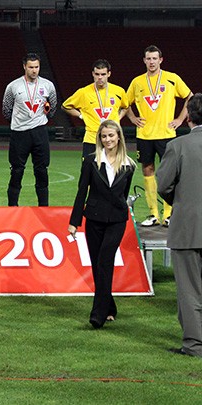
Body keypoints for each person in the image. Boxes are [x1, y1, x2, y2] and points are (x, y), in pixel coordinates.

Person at [68, 120, 135, 329]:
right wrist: (74, 222)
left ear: (119, 137)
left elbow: (123, 195)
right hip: (94, 219)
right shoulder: (90, 161)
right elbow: (82, 192)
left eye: (111, 135)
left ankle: (98, 314)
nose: (107, 140)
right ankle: (110, 306)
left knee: (105, 260)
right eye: (104, 136)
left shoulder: (129, 165)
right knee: (98, 265)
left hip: (117, 221)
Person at [126, 45, 193, 227]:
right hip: (145, 134)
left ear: (161, 60)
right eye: (148, 58)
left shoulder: (172, 78)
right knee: (147, 170)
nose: (151, 62)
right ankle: (153, 214)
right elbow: (125, 103)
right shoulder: (137, 82)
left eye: (155, 58)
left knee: (169, 173)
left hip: (166, 134)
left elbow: (190, 97)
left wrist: (180, 119)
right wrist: (132, 118)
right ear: (144, 60)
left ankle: (169, 215)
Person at [157, 93, 202, 357]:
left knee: (189, 290)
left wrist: (181, 200)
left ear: (188, 119)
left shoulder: (179, 145)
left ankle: (195, 345)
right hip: (189, 226)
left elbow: (163, 185)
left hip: (187, 228)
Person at [2, 53, 58, 206]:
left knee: (42, 170)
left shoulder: (48, 85)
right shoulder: (13, 86)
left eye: (37, 67)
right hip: (19, 134)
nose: (34, 70)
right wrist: (19, 123)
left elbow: (53, 107)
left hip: (40, 131)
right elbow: (6, 110)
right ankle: (12, 207)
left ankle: (44, 207)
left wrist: (43, 116)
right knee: (17, 171)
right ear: (24, 67)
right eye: (31, 67)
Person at [62, 59, 129, 158]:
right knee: (88, 167)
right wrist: (81, 116)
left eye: (103, 74)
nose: (100, 77)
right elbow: (65, 106)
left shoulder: (119, 91)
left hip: (112, 139)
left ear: (109, 74)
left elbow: (126, 107)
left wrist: (118, 118)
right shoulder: (83, 92)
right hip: (91, 139)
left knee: (113, 167)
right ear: (93, 74)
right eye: (97, 74)